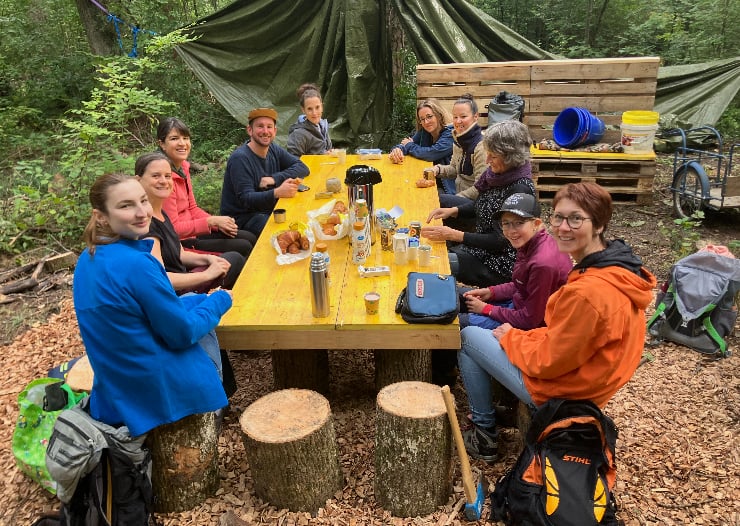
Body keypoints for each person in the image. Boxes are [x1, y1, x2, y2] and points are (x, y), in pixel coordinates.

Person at [458, 182, 657, 463]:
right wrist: (513, 329)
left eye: (575, 219)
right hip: (587, 377)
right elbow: (560, 337)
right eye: (559, 217)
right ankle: (500, 408)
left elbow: (549, 361)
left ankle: (484, 434)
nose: (563, 227)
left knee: (467, 336)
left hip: (569, 393)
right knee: (487, 329)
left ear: (599, 225)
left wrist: (512, 338)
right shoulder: (610, 268)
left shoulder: (589, 292)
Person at [73, 173, 232, 438]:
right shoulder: (137, 264)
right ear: (101, 217)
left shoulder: (88, 257)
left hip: (117, 385)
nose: (141, 212)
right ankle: (213, 413)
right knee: (207, 320)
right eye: (126, 206)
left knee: (193, 301)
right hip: (154, 391)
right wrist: (221, 299)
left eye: (143, 201)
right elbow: (182, 334)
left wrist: (202, 301)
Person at [421, 120, 537, 288]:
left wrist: (455, 235)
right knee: (435, 249)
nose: (487, 160)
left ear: (511, 157)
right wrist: (452, 211)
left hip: (499, 262)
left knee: (435, 262)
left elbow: (501, 241)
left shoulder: (520, 190)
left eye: (493, 156)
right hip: (482, 248)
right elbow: (483, 203)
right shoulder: (498, 175)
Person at [459, 192, 572, 330]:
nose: (511, 231)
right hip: (518, 305)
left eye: (519, 223)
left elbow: (530, 321)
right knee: (459, 297)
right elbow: (521, 285)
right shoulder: (529, 243)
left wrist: (487, 309)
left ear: (536, 223)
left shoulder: (542, 264)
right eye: (506, 223)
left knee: (456, 323)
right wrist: (491, 292)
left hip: (535, 327)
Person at [136, 152, 245, 292]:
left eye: (168, 176)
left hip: (183, 274)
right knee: (234, 258)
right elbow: (159, 279)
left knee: (230, 259)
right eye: (156, 176)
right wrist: (207, 274)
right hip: (176, 292)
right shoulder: (145, 224)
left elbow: (180, 254)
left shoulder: (161, 212)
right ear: (138, 180)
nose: (163, 181)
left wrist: (209, 259)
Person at [157, 117, 256, 257]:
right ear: (162, 144)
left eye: (185, 138)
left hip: (193, 231)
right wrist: (210, 221)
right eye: (174, 138)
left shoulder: (182, 168)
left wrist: (217, 224)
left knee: (248, 237)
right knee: (243, 246)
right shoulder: (163, 179)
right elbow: (172, 228)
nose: (182, 143)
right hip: (179, 243)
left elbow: (192, 208)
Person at [220, 107, 310, 237]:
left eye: (269, 127)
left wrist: (275, 179)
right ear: (249, 130)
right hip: (243, 218)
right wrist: (277, 192)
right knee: (285, 234)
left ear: (275, 131)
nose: (265, 131)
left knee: (304, 215)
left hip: (267, 209)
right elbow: (246, 199)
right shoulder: (240, 159)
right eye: (260, 126)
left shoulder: (273, 149)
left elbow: (302, 167)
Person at [426, 94, 487, 205]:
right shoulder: (458, 139)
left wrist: (454, 199)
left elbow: (480, 187)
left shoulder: (481, 146)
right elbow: (454, 169)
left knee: (436, 200)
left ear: (476, 117)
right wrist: (438, 169)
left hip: (475, 204)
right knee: (429, 194)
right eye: (455, 117)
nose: (458, 121)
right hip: (459, 196)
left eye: (463, 117)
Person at [388, 98, 453, 165]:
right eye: (422, 119)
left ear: (439, 115)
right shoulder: (424, 131)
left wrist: (409, 145)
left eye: (429, 117)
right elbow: (405, 144)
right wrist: (397, 150)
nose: (426, 122)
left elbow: (432, 154)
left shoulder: (451, 133)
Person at [286, 83, 333, 156]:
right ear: (303, 110)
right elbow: (293, 160)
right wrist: (321, 157)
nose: (314, 113)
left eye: (317, 107)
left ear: (322, 107)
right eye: (309, 109)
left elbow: (327, 151)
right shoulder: (298, 134)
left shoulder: (323, 126)